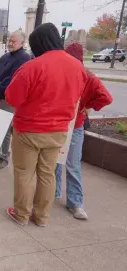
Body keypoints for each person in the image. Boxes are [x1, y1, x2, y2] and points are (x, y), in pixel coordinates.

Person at [5, 23, 87, 227]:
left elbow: (13, 98)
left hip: (29, 130)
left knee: (24, 174)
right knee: (47, 174)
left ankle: (22, 214)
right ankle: (41, 217)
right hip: (59, 130)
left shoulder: (32, 67)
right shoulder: (78, 67)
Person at [55, 42, 113, 220]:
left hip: (75, 125)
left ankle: (75, 202)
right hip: (60, 123)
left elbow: (106, 98)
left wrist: (87, 106)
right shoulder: (63, 74)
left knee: (72, 164)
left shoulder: (90, 78)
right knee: (56, 161)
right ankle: (54, 192)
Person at [0, 31, 31, 171]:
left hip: (9, 98)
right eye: (9, 40)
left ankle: (3, 156)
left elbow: (14, 80)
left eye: (13, 41)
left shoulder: (24, 58)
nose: (10, 43)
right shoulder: (5, 56)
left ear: (22, 43)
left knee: (5, 128)